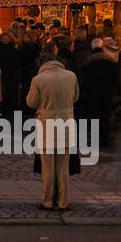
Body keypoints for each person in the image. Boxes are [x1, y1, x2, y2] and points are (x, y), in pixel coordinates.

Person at [25, 55, 79, 211]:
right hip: (66, 122)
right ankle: (63, 201)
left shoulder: (38, 79)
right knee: (63, 166)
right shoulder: (71, 76)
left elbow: (31, 102)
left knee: (48, 166)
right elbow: (75, 98)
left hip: (47, 123)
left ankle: (47, 201)